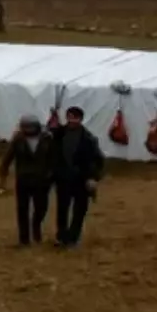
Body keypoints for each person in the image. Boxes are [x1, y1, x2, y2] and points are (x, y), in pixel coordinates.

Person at [49, 106, 105, 248]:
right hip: (63, 179)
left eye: (75, 117)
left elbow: (97, 160)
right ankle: (61, 237)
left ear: (81, 119)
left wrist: (93, 177)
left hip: (81, 179)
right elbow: (50, 154)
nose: (72, 120)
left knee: (79, 211)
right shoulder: (58, 134)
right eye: (70, 116)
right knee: (62, 209)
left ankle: (73, 238)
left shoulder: (89, 139)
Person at [0, 115, 54, 247]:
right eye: (25, 127)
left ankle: (36, 226)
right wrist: (3, 173)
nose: (28, 130)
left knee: (41, 208)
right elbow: (8, 157)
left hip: (42, 180)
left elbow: (53, 157)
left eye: (30, 127)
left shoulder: (47, 138)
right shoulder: (18, 139)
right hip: (23, 179)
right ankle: (24, 239)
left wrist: (51, 175)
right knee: (22, 209)